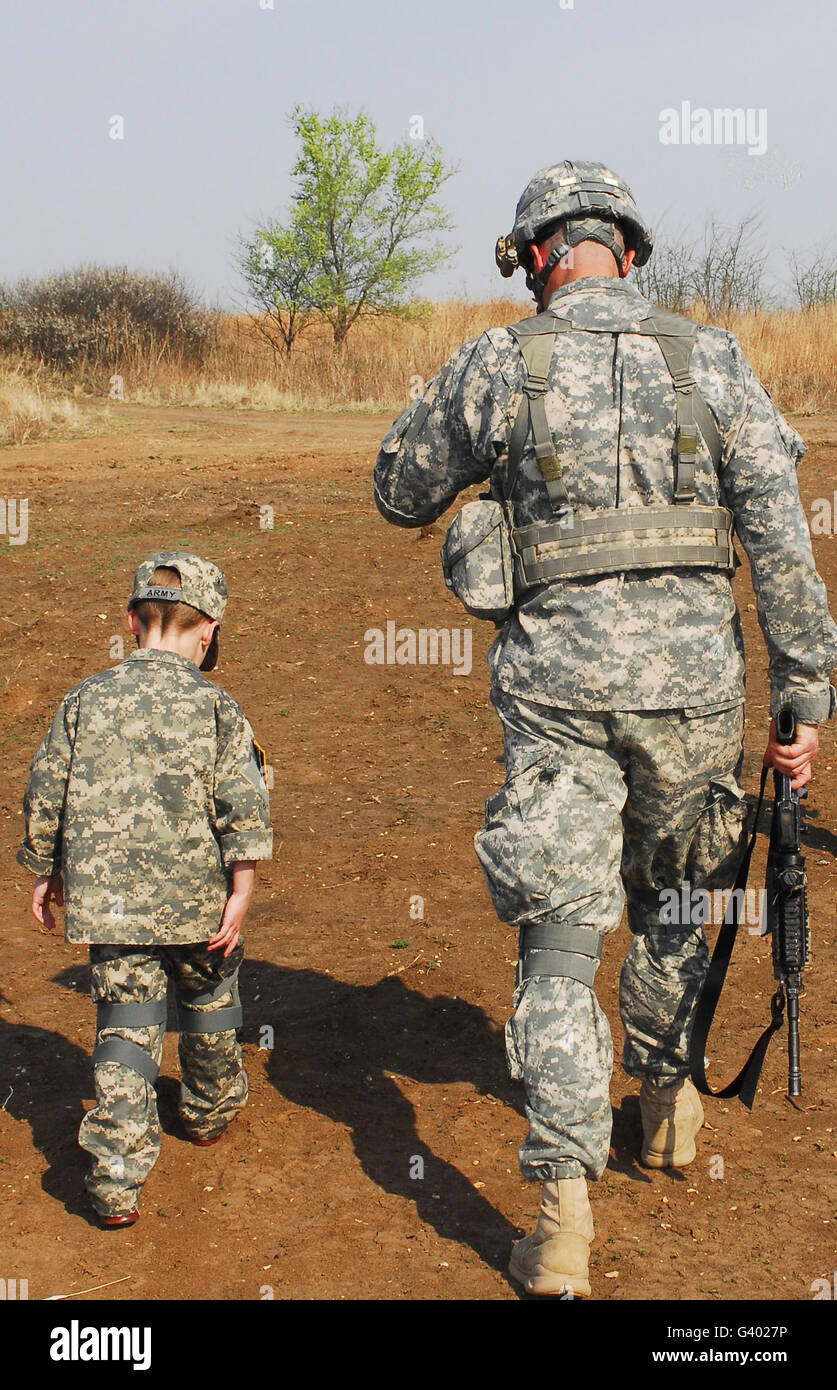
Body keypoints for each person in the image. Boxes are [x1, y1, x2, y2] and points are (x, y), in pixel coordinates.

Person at [372, 160, 837, 1296]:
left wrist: (497, 491)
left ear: (535, 257)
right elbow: (781, 540)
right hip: (695, 695)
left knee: (560, 936)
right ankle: (669, 1104)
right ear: (629, 251)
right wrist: (806, 696)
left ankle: (562, 1214)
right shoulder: (714, 356)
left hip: (559, 703)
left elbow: (396, 486)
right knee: (683, 896)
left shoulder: (498, 360)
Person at [18, 551, 273, 1228]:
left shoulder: (84, 700)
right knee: (211, 998)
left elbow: (46, 790)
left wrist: (46, 868)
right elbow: (242, 806)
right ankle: (208, 1110)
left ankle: (115, 1178)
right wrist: (240, 890)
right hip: (199, 905)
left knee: (126, 1030)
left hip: (114, 908)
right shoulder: (218, 708)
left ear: (133, 619)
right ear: (209, 629)